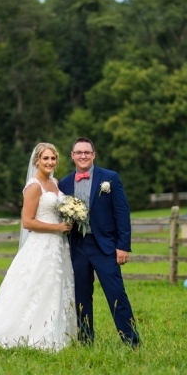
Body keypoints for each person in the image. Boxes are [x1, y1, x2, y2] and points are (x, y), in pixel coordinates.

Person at [0, 143, 77, 351]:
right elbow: (27, 222)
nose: (50, 162)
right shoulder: (33, 186)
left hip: (58, 246)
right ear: (36, 161)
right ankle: (31, 333)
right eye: (45, 158)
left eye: (53, 159)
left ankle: (55, 331)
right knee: (36, 287)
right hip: (41, 246)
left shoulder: (55, 183)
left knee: (54, 288)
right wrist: (58, 226)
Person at [59, 137, 140, 348]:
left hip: (105, 247)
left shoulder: (110, 179)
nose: (83, 156)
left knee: (116, 294)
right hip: (77, 246)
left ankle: (132, 342)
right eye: (79, 152)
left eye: (87, 152)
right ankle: (86, 341)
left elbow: (122, 213)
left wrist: (123, 246)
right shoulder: (64, 183)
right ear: (73, 156)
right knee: (81, 297)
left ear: (93, 155)